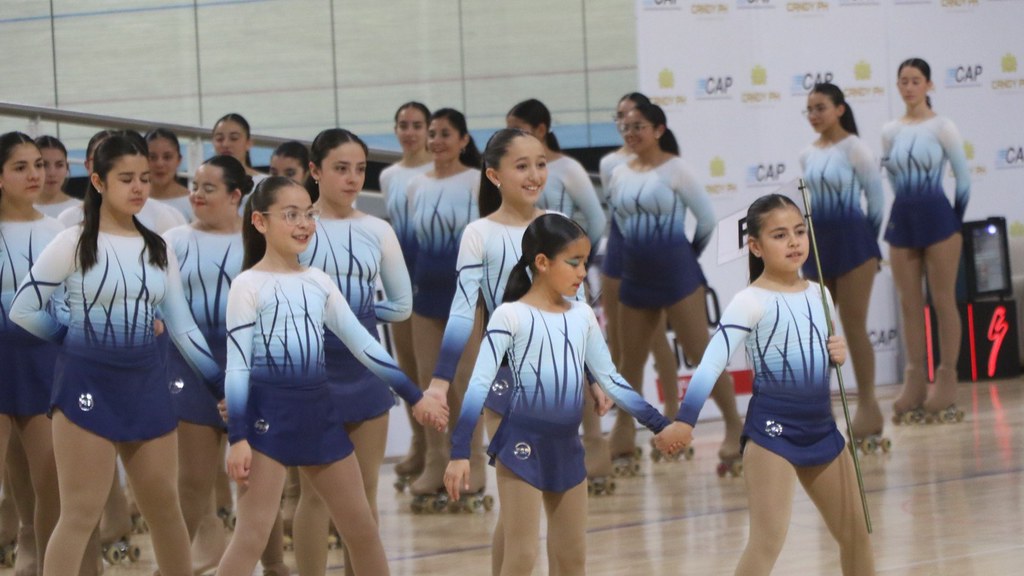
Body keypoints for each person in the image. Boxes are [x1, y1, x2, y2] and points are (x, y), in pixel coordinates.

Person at [10, 133, 224, 576]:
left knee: (164, 510)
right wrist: (70, 338)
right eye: (126, 178)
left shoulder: (158, 248)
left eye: (144, 178)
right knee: (79, 514)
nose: (139, 188)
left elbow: (182, 326)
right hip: (85, 390)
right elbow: (23, 308)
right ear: (98, 180)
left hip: (147, 387)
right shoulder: (72, 241)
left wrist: (219, 385)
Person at [215, 176, 447, 576]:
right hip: (268, 424)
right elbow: (238, 367)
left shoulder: (319, 282)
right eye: (291, 215)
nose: (304, 223)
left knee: (361, 529)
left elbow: (366, 345)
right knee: (251, 534)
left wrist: (416, 396)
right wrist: (237, 438)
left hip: (321, 418)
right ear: (259, 221)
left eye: (308, 213)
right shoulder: (247, 285)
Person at [441, 213, 673, 576]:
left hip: (567, 445)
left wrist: (659, 424)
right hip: (520, 446)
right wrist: (458, 453)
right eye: (574, 262)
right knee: (520, 557)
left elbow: (610, 378)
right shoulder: (509, 316)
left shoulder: (582, 316)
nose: (584, 272)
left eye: (585, 262)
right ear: (542, 263)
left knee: (572, 560)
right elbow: (478, 386)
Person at [656, 193, 875, 576]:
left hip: (822, 430)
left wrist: (834, 351)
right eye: (779, 235)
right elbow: (711, 363)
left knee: (857, 534)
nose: (793, 242)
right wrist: (686, 420)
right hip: (773, 434)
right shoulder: (750, 301)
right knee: (767, 543)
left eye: (799, 231)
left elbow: (818, 353)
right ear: (755, 246)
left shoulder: (820, 293)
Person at [292, 129, 412, 575]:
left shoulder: (377, 229)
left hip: (366, 368)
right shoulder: (296, 227)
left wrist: (355, 314)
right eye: (340, 168)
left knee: (363, 494)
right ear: (314, 171)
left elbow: (402, 306)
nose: (352, 178)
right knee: (315, 495)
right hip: (309, 370)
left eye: (360, 169)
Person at [606, 102, 743, 476]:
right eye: (627, 127)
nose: (632, 133)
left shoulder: (676, 170)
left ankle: (734, 424)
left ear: (659, 130)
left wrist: (683, 257)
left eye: (640, 127)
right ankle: (622, 432)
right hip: (635, 276)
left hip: (678, 275)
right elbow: (618, 224)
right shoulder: (618, 174)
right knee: (629, 363)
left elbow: (707, 220)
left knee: (702, 355)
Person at [162, 155, 254, 574]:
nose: (195, 194)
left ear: (236, 195)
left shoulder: (258, 240)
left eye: (208, 188)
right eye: (194, 186)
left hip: (251, 370)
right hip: (191, 372)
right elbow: (172, 317)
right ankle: (170, 568)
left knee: (256, 484)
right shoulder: (173, 241)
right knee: (192, 484)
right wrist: (218, 385)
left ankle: (272, 565)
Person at [882, 58, 970, 424]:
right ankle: (915, 380)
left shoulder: (943, 127)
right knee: (909, 304)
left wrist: (953, 221)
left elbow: (963, 180)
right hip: (904, 218)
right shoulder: (890, 131)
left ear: (929, 85)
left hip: (939, 218)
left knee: (943, 300)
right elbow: (890, 176)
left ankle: (947, 378)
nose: (908, 87)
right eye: (903, 81)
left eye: (915, 81)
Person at [597, 93, 682, 471]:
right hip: (619, 250)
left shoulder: (664, 163)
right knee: (622, 342)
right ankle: (627, 426)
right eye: (620, 118)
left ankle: (673, 411)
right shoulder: (610, 163)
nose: (626, 125)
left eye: (633, 118)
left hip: (652, 250)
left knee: (655, 335)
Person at [405, 108, 484, 511]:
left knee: (465, 381)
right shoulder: (415, 186)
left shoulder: (476, 182)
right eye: (432, 133)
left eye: (445, 134)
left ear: (464, 140)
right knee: (427, 384)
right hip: (425, 295)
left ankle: (472, 462)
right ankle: (436, 461)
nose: (436, 140)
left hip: (466, 296)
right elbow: (411, 246)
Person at [801, 83, 887, 451]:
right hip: (819, 246)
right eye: (810, 109)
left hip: (855, 242)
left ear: (839, 109)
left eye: (821, 107)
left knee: (852, 326)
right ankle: (821, 411)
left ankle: (868, 407)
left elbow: (877, 201)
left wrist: (867, 242)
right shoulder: (807, 155)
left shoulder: (856, 148)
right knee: (820, 331)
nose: (815, 115)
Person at [0, 132, 63, 575]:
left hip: (43, 362)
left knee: (48, 480)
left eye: (38, 165)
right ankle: (24, 538)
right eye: (20, 167)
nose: (34, 175)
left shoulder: (55, 230)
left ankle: (37, 548)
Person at [378, 101, 433, 491]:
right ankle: (420, 442)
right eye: (403, 125)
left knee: (435, 372)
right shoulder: (389, 176)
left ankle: (443, 448)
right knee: (408, 370)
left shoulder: (438, 172)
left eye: (416, 125)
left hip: (434, 282)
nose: (409, 132)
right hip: (401, 280)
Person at [505, 99, 605, 252]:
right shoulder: (510, 169)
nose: (511, 138)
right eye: (509, 132)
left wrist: (580, 259)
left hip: (559, 264)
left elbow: (597, 221)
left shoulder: (568, 168)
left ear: (541, 130)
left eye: (518, 131)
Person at [147, 128, 193, 221]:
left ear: (179, 160)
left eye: (167, 157)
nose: (159, 164)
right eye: (152, 157)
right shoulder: (134, 200)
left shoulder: (193, 202)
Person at [33, 135, 79, 218]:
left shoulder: (82, 211)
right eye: (44, 165)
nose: (52, 173)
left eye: (59, 165)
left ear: (67, 167)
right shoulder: (15, 212)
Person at [212, 113, 266, 181]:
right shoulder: (203, 181)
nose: (225, 144)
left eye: (234, 138)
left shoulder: (264, 183)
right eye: (219, 139)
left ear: (248, 143)